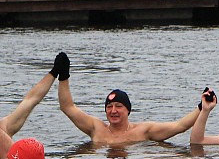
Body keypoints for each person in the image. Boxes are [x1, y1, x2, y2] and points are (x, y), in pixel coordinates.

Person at [57, 58, 200, 143]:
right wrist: (63, 76)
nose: (113, 111)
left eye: (118, 106)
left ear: (128, 110)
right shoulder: (96, 128)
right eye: (109, 107)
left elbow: (180, 126)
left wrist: (202, 107)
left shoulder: (144, 131)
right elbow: (67, 107)